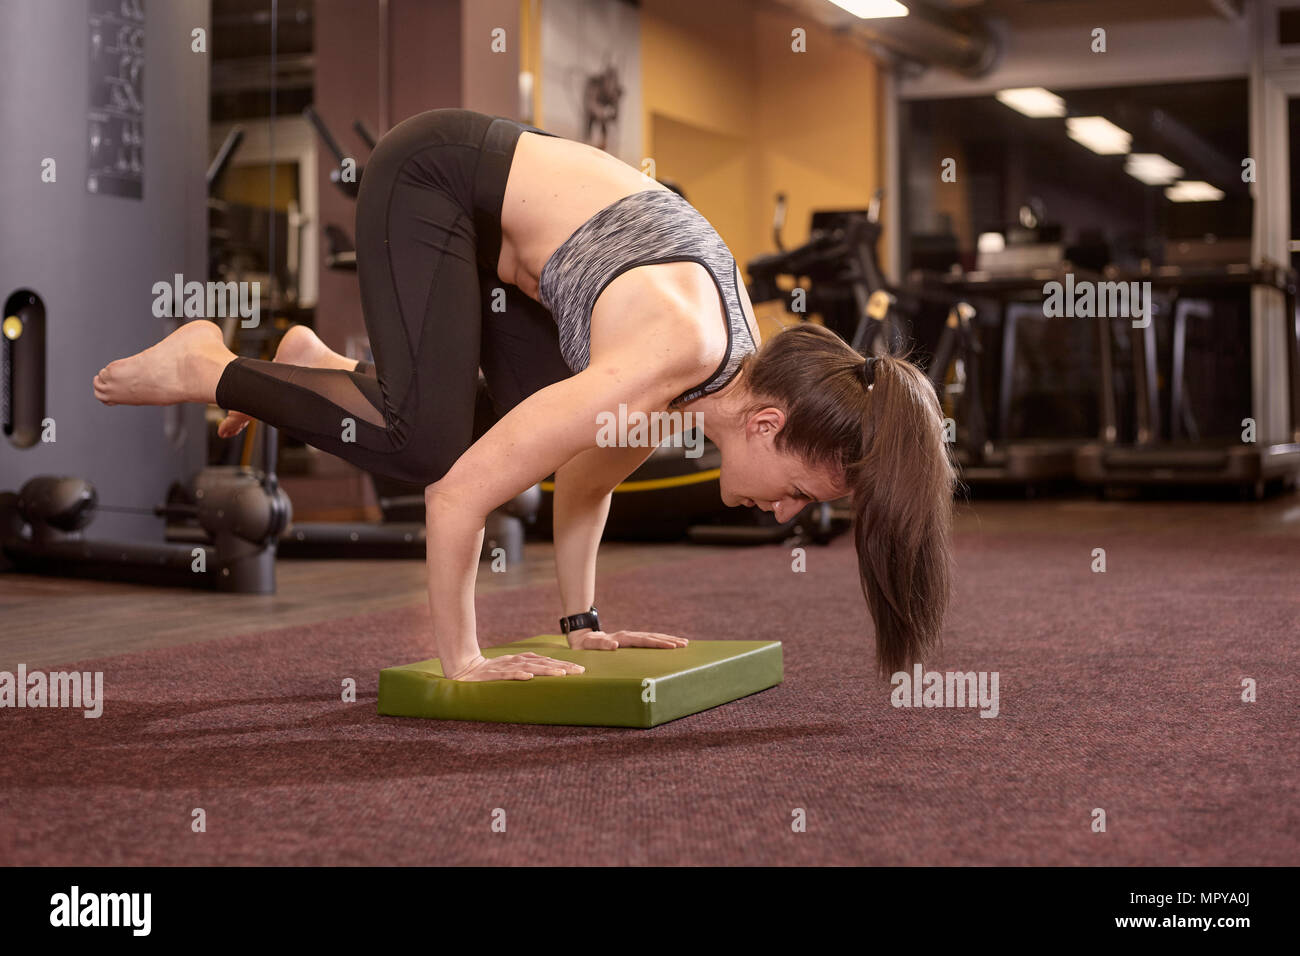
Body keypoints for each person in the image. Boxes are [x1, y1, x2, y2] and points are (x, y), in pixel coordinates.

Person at [93, 109, 954, 682]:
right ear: (768, 422)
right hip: (438, 176)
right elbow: (454, 495)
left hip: (504, 251)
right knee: (432, 450)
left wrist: (582, 622)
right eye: (799, 494)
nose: (780, 515)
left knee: (519, 450)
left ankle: (315, 363)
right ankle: (206, 362)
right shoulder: (675, 353)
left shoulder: (691, 386)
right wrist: (464, 660)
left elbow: (583, 483)